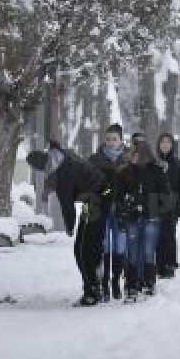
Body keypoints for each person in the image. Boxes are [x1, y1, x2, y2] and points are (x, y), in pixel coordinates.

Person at [26, 141, 107, 306]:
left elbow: (67, 206)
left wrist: (69, 228)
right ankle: (95, 281)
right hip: (96, 197)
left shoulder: (63, 174)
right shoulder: (62, 155)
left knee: (82, 249)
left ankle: (92, 291)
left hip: (98, 199)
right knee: (85, 246)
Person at [118, 139, 170, 299]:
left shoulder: (157, 171)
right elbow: (118, 194)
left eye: (135, 153)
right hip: (132, 217)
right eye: (132, 153)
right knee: (132, 253)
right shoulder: (125, 172)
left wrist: (155, 208)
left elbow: (165, 194)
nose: (132, 156)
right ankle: (131, 285)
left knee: (148, 252)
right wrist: (124, 208)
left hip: (151, 217)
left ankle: (149, 283)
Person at [88, 124, 130, 301]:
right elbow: (90, 184)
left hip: (121, 211)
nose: (111, 142)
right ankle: (104, 283)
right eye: (108, 139)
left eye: (114, 139)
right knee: (104, 246)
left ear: (121, 140)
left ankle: (116, 282)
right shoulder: (95, 160)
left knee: (120, 246)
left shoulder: (129, 160)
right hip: (102, 210)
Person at [155, 132, 180, 278]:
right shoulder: (154, 163)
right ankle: (159, 265)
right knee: (158, 235)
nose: (165, 145)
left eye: (168, 142)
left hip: (172, 205)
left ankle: (169, 264)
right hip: (155, 204)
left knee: (169, 234)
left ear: (172, 145)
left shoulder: (179, 165)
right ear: (158, 145)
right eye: (162, 142)